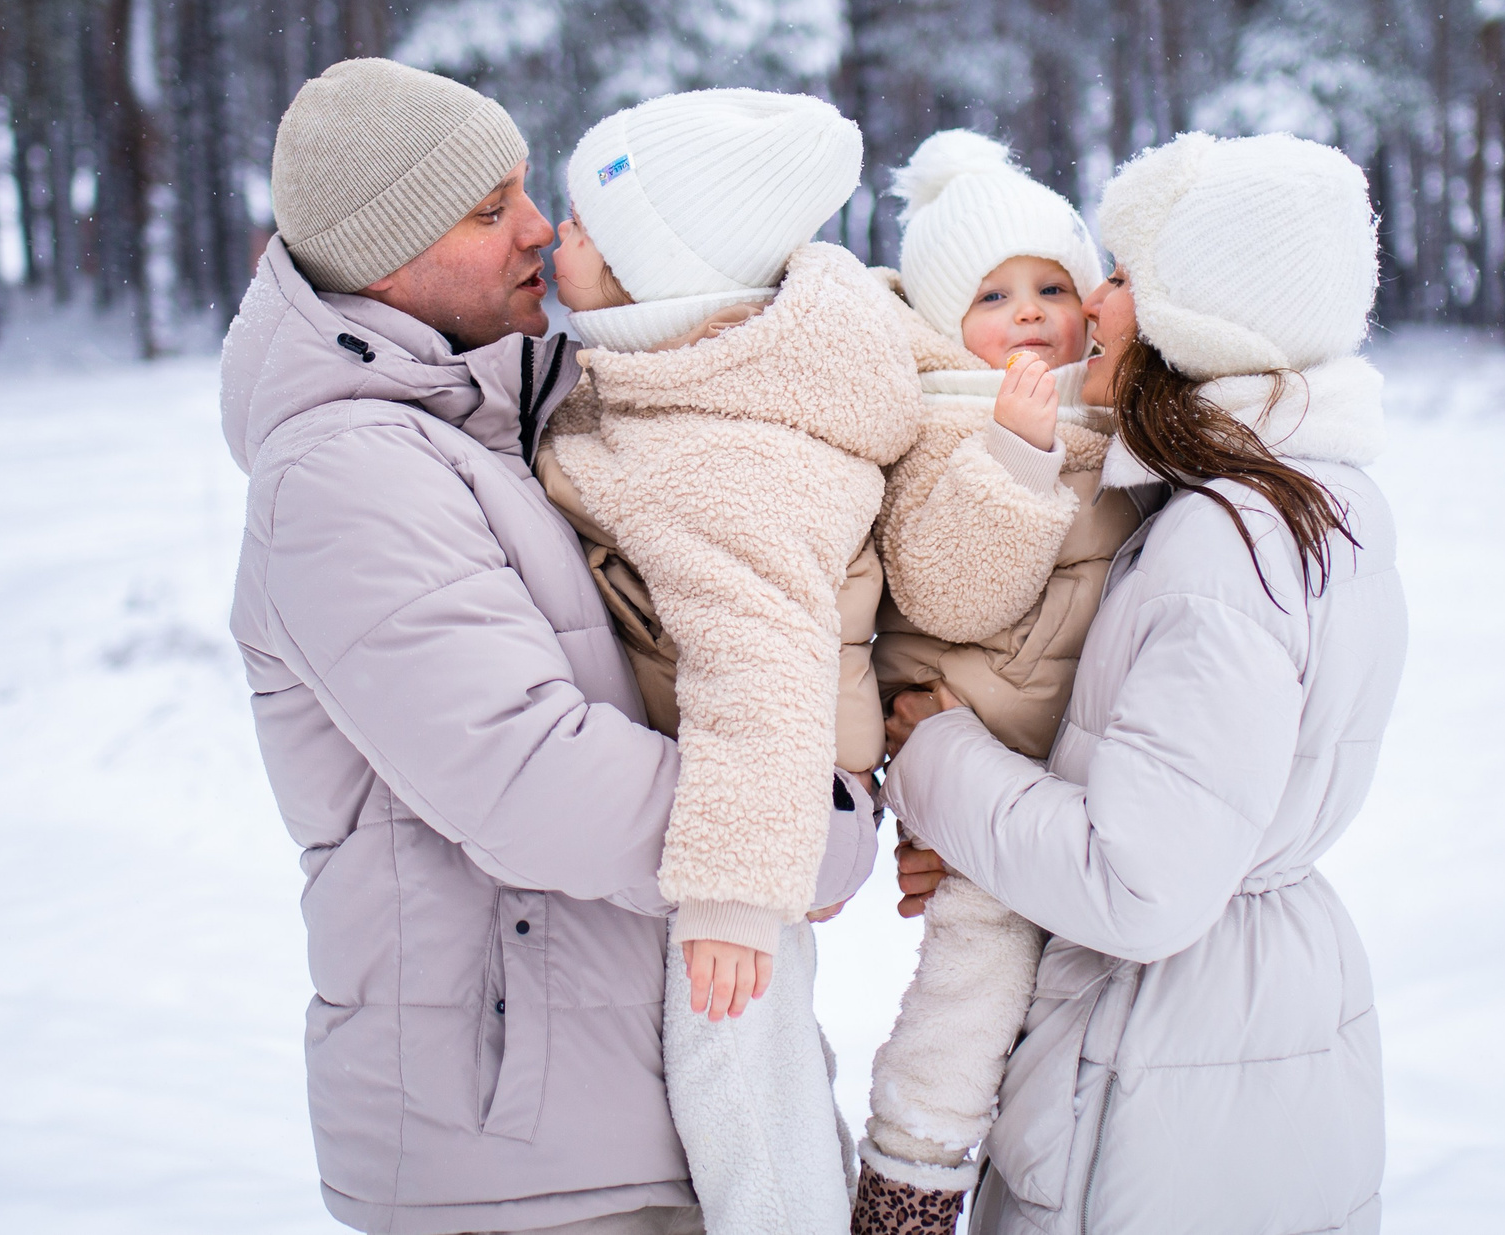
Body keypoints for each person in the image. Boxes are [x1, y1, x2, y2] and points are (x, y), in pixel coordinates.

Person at [218, 59, 879, 1235]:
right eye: (489, 212)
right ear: (387, 259)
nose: (538, 230)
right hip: (524, 1163)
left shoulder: (512, 422)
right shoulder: (348, 477)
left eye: (527, 190)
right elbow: (533, 781)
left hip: (619, 1118)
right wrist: (798, 823)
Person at [883, 131, 1408, 1234]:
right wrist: (992, 838)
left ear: (1192, 318)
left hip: (1167, 1062)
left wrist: (937, 759)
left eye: (1119, 276)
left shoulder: (1226, 542)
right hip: (1244, 1031)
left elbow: (1139, 885)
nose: (1094, 305)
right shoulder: (1308, 497)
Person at [537, 89, 922, 1235]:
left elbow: (760, 678)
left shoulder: (726, 454)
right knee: (765, 1068)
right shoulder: (700, 382)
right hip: (740, 802)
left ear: (651, 272)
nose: (551, 242)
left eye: (575, 227)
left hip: (749, 824)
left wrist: (733, 901)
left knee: (736, 1079)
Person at [848, 131, 1143, 1233]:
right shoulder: (946, 424)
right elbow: (951, 595)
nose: (1029, 313)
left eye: (1053, 286)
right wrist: (1010, 458)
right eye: (991, 294)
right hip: (986, 756)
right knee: (972, 984)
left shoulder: (1116, 416)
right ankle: (909, 1179)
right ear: (938, 325)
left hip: (1060, 781)